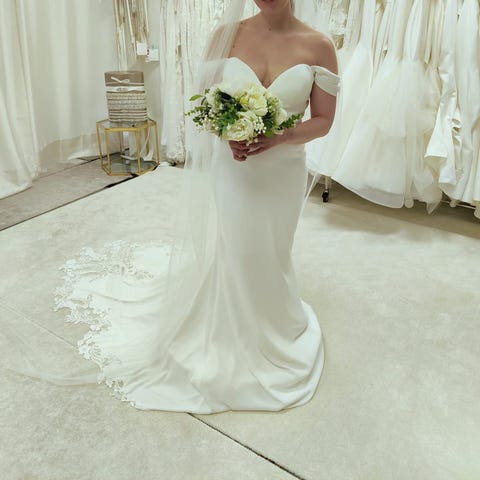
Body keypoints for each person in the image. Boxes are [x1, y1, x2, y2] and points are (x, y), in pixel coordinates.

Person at [1, 0, 340, 414]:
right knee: (234, 245)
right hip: (235, 168)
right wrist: (227, 133)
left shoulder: (319, 45)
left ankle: (273, 322)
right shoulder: (226, 35)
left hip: (282, 173)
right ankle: (229, 329)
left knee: (272, 249)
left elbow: (324, 119)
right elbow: (206, 105)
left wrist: (280, 136)